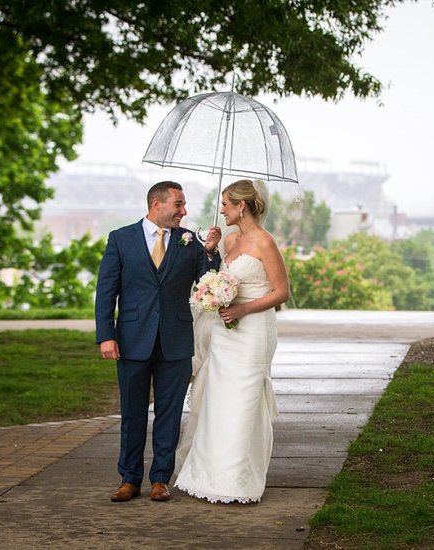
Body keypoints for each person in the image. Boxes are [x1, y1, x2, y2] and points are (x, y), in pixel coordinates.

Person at [95, 180, 221, 503]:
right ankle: (129, 478)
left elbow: (208, 280)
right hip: (131, 341)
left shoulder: (189, 241)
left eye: (184, 204)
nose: (184, 211)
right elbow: (106, 292)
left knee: (169, 412)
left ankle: (160, 479)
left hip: (175, 341)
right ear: (157, 204)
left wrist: (210, 252)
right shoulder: (120, 239)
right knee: (132, 413)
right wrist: (106, 335)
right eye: (178, 204)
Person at [175, 178, 290, 504]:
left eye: (226, 204)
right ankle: (208, 475)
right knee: (218, 401)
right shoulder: (229, 240)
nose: (221, 209)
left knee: (243, 403)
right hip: (225, 333)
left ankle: (238, 480)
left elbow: (281, 292)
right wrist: (209, 251)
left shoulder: (266, 243)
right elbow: (215, 275)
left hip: (253, 332)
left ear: (242, 206)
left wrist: (242, 308)